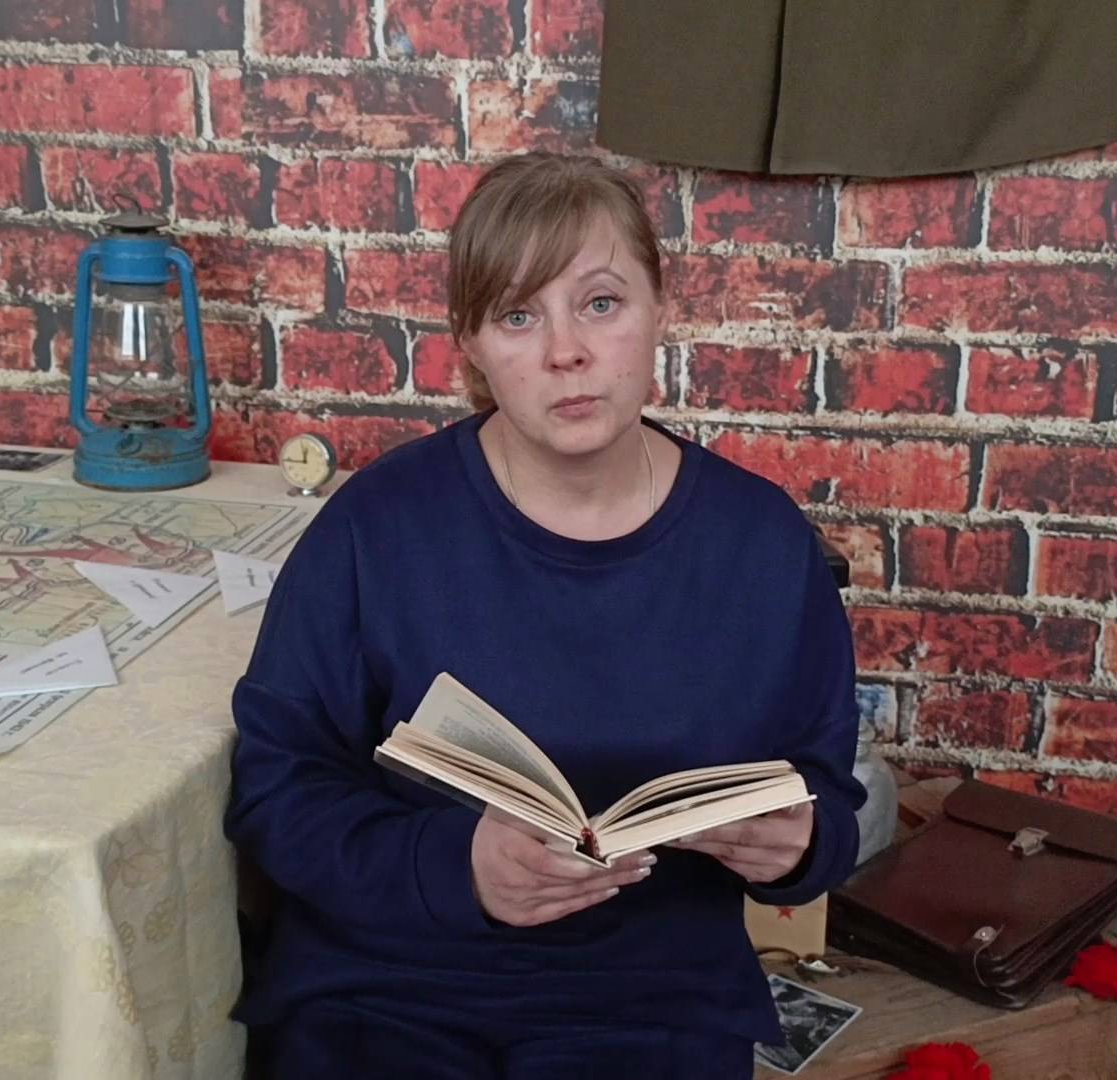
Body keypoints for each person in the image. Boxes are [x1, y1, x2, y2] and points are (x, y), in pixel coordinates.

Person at [225, 152, 867, 1078]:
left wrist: (802, 844)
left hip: (651, 1002)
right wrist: (453, 865)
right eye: (518, 316)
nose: (566, 351)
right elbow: (275, 789)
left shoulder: (762, 544)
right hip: (389, 989)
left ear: (660, 309)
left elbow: (828, 802)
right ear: (472, 344)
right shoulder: (376, 526)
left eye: (600, 303)